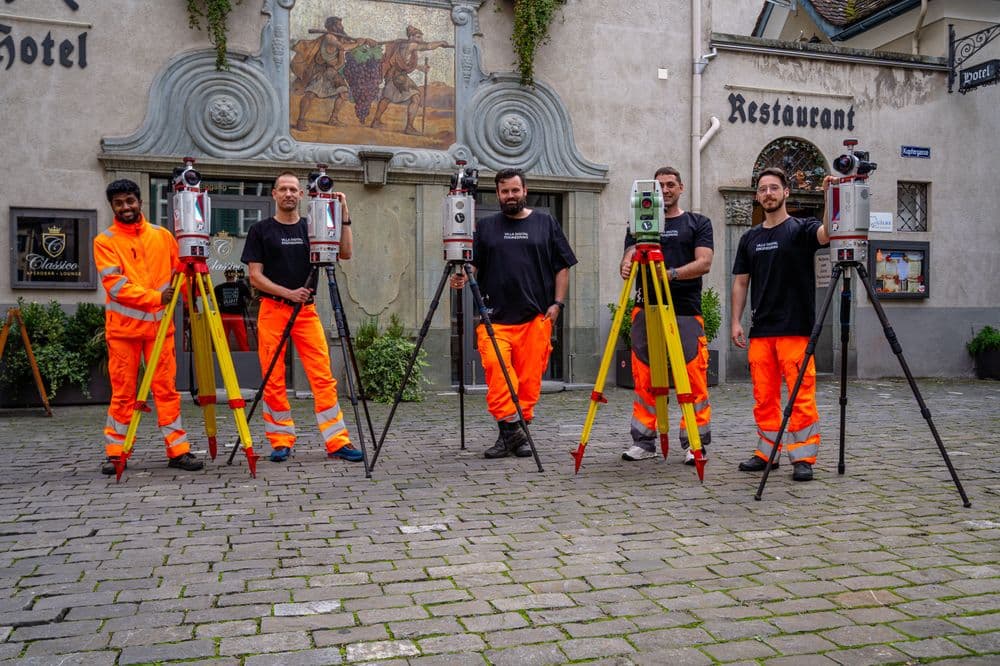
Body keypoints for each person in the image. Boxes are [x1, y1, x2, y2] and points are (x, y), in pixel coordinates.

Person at [450, 168, 577, 458]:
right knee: (498, 372)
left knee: (528, 382)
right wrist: (461, 277)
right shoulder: (486, 227)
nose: (510, 196)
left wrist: (557, 304)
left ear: (525, 191)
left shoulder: (546, 222)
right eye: (505, 191)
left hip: (536, 318)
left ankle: (511, 436)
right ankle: (512, 433)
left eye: (515, 190)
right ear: (497, 194)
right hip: (494, 317)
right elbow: (474, 266)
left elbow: (563, 266)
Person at [240, 172, 363, 463]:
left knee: (322, 376)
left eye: (293, 189)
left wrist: (344, 215)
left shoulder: (312, 228)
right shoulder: (261, 230)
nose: (288, 194)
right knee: (273, 377)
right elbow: (255, 277)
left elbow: (344, 252)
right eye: (283, 189)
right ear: (273, 194)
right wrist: (288, 292)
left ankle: (337, 441)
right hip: (273, 309)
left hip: (306, 313)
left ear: (302, 195)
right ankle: (280, 440)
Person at [93, 179, 203, 474]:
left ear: (140, 202)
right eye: (119, 203)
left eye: (130, 201)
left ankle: (178, 450)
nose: (126, 207)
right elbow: (116, 286)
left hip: (159, 330)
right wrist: (156, 297)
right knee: (123, 394)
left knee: (166, 391)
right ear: (112, 206)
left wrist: (196, 296)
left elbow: (178, 275)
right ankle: (116, 452)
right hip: (124, 333)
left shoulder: (163, 236)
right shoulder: (105, 241)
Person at [730, 167, 831, 482]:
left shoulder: (802, 228)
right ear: (757, 196)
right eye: (763, 189)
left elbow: (827, 234)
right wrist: (735, 321)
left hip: (796, 329)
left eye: (774, 188)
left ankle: (803, 458)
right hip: (761, 332)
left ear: (786, 192)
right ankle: (767, 453)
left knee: (800, 395)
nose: (768, 194)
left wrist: (829, 195)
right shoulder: (750, 237)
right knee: (764, 396)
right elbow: (741, 283)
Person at [618, 167, 713, 464]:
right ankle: (644, 442)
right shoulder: (638, 221)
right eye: (660, 186)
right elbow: (629, 254)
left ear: (681, 188)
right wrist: (626, 263)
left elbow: (704, 262)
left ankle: (694, 443)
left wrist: (670, 275)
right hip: (645, 309)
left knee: (693, 378)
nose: (665, 190)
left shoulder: (697, 223)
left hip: (685, 310)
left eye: (671, 185)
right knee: (644, 377)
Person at [292, 16, 372, 131]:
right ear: (332, 26)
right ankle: (300, 120)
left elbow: (351, 43)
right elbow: (343, 47)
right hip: (321, 70)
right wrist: (358, 43)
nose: (342, 26)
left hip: (332, 71)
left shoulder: (339, 38)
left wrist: (364, 41)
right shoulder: (329, 37)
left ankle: (333, 119)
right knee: (310, 94)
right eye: (339, 24)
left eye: (341, 24)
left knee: (343, 93)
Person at [369, 25, 452, 135]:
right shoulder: (411, 45)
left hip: (393, 75)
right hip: (397, 76)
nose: (420, 40)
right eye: (418, 37)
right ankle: (409, 127)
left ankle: (375, 121)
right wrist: (441, 43)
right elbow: (429, 46)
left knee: (387, 98)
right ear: (411, 37)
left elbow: (403, 62)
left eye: (421, 37)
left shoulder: (403, 45)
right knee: (416, 97)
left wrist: (420, 67)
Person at [214, 268, 252, 352]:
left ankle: (224, 355)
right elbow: (250, 297)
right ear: (234, 275)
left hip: (224, 315)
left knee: (223, 338)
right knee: (242, 338)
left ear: (225, 275)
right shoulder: (241, 286)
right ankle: (246, 355)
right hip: (237, 315)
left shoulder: (218, 288)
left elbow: (214, 301)